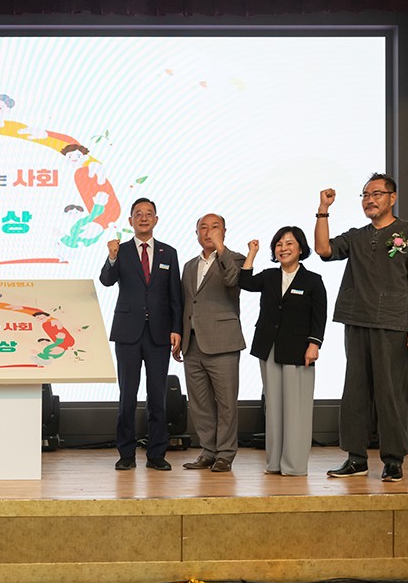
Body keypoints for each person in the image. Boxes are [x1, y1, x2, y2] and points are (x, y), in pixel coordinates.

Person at [315, 173, 408, 482]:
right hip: (357, 320)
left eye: (377, 194)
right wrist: (323, 209)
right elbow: (324, 249)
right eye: (365, 195)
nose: (369, 200)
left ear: (392, 198)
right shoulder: (356, 236)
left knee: (391, 394)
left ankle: (393, 459)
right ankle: (356, 458)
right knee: (355, 393)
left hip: (394, 323)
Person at [99, 198, 182, 471]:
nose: (144, 218)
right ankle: (126, 454)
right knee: (127, 397)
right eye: (138, 214)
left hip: (159, 334)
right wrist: (111, 257)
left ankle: (156, 454)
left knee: (157, 397)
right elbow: (106, 280)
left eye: (149, 214)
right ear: (130, 221)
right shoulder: (120, 251)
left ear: (156, 219)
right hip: (128, 333)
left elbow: (175, 296)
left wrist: (177, 329)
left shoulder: (169, 253)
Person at [239, 226, 327, 476]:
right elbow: (245, 282)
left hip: (299, 350)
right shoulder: (268, 276)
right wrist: (251, 254)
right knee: (274, 408)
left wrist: (314, 344)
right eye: (279, 244)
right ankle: (275, 463)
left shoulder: (313, 281)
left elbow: (319, 316)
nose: (283, 248)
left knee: (296, 409)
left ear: (300, 248)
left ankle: (294, 465)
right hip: (269, 348)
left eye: (289, 243)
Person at [178, 213, 245, 473]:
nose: (209, 232)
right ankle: (208, 451)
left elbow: (232, 280)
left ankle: (225, 454)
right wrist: (179, 336)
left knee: (226, 403)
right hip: (192, 343)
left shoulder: (235, 258)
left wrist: (220, 248)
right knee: (200, 403)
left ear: (225, 231)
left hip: (223, 342)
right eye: (203, 228)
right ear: (196, 234)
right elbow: (186, 304)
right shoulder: (189, 266)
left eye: (215, 227)